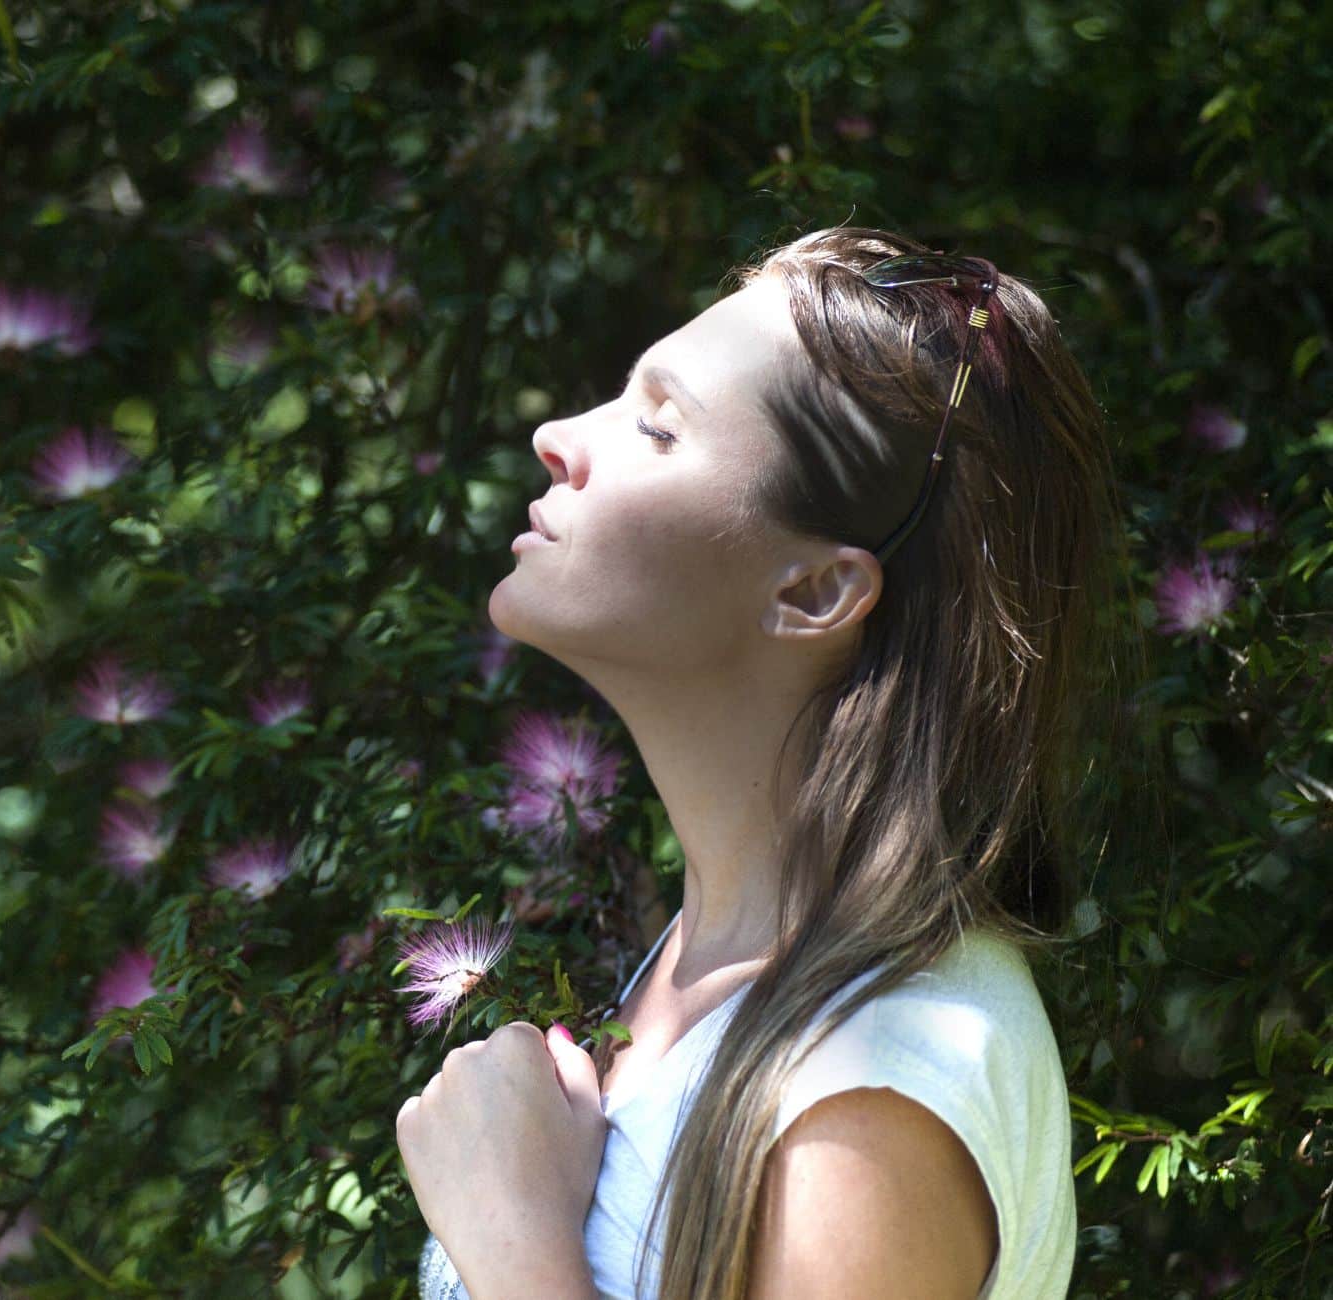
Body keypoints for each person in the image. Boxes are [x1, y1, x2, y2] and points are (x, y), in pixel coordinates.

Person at [402, 225, 1137, 1299]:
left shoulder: (873, 1089)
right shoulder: (707, 972)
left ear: (815, 594)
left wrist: (514, 1243)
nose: (559, 435)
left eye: (658, 426)